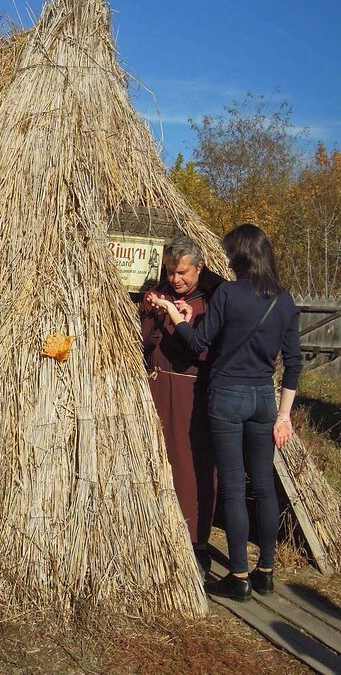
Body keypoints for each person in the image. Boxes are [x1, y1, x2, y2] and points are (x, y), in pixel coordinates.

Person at [148, 224, 302, 601]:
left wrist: (173, 312)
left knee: (233, 487)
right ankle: (265, 572)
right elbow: (295, 362)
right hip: (264, 398)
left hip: (228, 396)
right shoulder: (283, 300)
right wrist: (284, 416)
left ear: (241, 257)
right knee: (263, 485)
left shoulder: (229, 294)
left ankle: (238, 576)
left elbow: (199, 341)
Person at [140, 235, 224, 576]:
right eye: (171, 272)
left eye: (183, 273)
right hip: (159, 390)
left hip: (193, 396)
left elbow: (207, 349)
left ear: (199, 268)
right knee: (161, 462)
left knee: (194, 465)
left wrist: (180, 319)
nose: (176, 279)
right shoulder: (160, 294)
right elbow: (143, 341)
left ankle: (196, 541)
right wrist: (150, 310)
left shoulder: (212, 300)